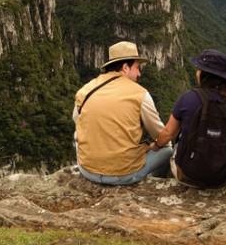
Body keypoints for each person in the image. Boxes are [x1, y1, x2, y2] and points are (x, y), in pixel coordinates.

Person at [72, 41, 172, 185]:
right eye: (137, 68)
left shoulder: (85, 89)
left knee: (77, 135)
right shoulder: (140, 94)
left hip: (87, 171)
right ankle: (153, 182)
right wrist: (154, 146)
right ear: (125, 68)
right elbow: (160, 134)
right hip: (123, 175)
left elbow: (77, 120)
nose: (139, 73)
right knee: (167, 149)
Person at [153, 49, 226, 188]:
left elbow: (168, 133)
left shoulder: (187, 98)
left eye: (198, 69)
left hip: (187, 176)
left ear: (203, 74)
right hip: (222, 179)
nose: (196, 71)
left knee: (171, 147)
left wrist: (155, 146)